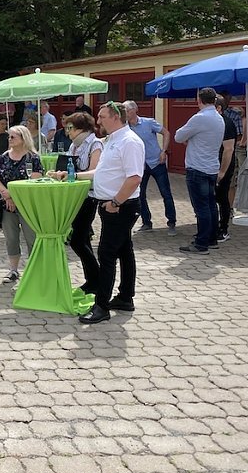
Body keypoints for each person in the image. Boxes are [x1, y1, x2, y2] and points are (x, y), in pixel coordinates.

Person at [57, 101, 143, 324]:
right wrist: (73, 175)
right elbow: (101, 171)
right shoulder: (112, 140)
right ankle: (125, 297)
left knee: (106, 254)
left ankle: (102, 306)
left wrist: (116, 202)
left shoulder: (129, 141)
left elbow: (134, 178)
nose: (99, 121)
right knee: (124, 250)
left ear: (115, 116)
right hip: (110, 205)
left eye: (102, 116)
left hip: (120, 206)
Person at [48, 112, 103, 293]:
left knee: (78, 240)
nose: (68, 131)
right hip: (74, 196)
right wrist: (59, 173)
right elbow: (69, 167)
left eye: (70, 128)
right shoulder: (74, 145)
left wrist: (72, 174)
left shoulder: (95, 144)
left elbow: (94, 171)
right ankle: (92, 280)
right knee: (82, 239)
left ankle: (96, 278)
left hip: (88, 196)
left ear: (81, 128)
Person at [175, 87, 225, 254]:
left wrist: (189, 138)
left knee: (201, 207)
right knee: (211, 205)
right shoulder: (219, 118)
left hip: (197, 167)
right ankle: (211, 239)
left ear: (199, 99)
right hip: (211, 167)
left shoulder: (200, 118)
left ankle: (201, 243)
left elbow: (179, 136)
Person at [0, 125, 42, 282]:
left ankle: (35, 271)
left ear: (23, 138)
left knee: (31, 238)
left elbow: (35, 179)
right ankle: (13, 270)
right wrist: (7, 196)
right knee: (11, 238)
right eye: (9, 137)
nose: (9, 139)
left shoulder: (33, 158)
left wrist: (14, 196)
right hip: (7, 205)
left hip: (27, 204)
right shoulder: (4, 157)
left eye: (13, 137)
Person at [123, 100, 177, 236]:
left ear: (135, 110)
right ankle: (146, 222)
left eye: (127, 110)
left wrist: (163, 150)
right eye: (124, 111)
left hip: (156, 162)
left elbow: (166, 133)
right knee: (140, 194)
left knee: (165, 193)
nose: (126, 113)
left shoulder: (149, 122)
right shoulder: (125, 127)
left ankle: (172, 222)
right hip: (140, 165)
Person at [214, 96, 236, 243]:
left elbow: (228, 150)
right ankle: (212, 227)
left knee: (222, 197)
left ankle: (223, 229)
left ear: (219, 108)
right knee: (212, 198)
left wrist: (222, 172)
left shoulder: (227, 123)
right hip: (211, 163)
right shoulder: (211, 123)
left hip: (224, 164)